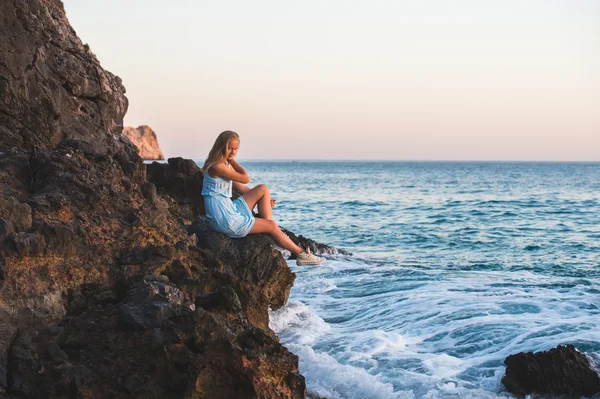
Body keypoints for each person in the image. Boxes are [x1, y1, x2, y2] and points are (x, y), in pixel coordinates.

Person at [201, 130, 325, 266]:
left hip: (229, 209)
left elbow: (243, 188)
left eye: (235, 149)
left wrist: (263, 202)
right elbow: (246, 178)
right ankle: (300, 254)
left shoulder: (224, 166)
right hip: (224, 219)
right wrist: (233, 161)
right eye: (229, 148)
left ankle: (271, 234)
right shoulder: (217, 167)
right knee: (271, 225)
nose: (232, 152)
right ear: (221, 147)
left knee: (263, 189)